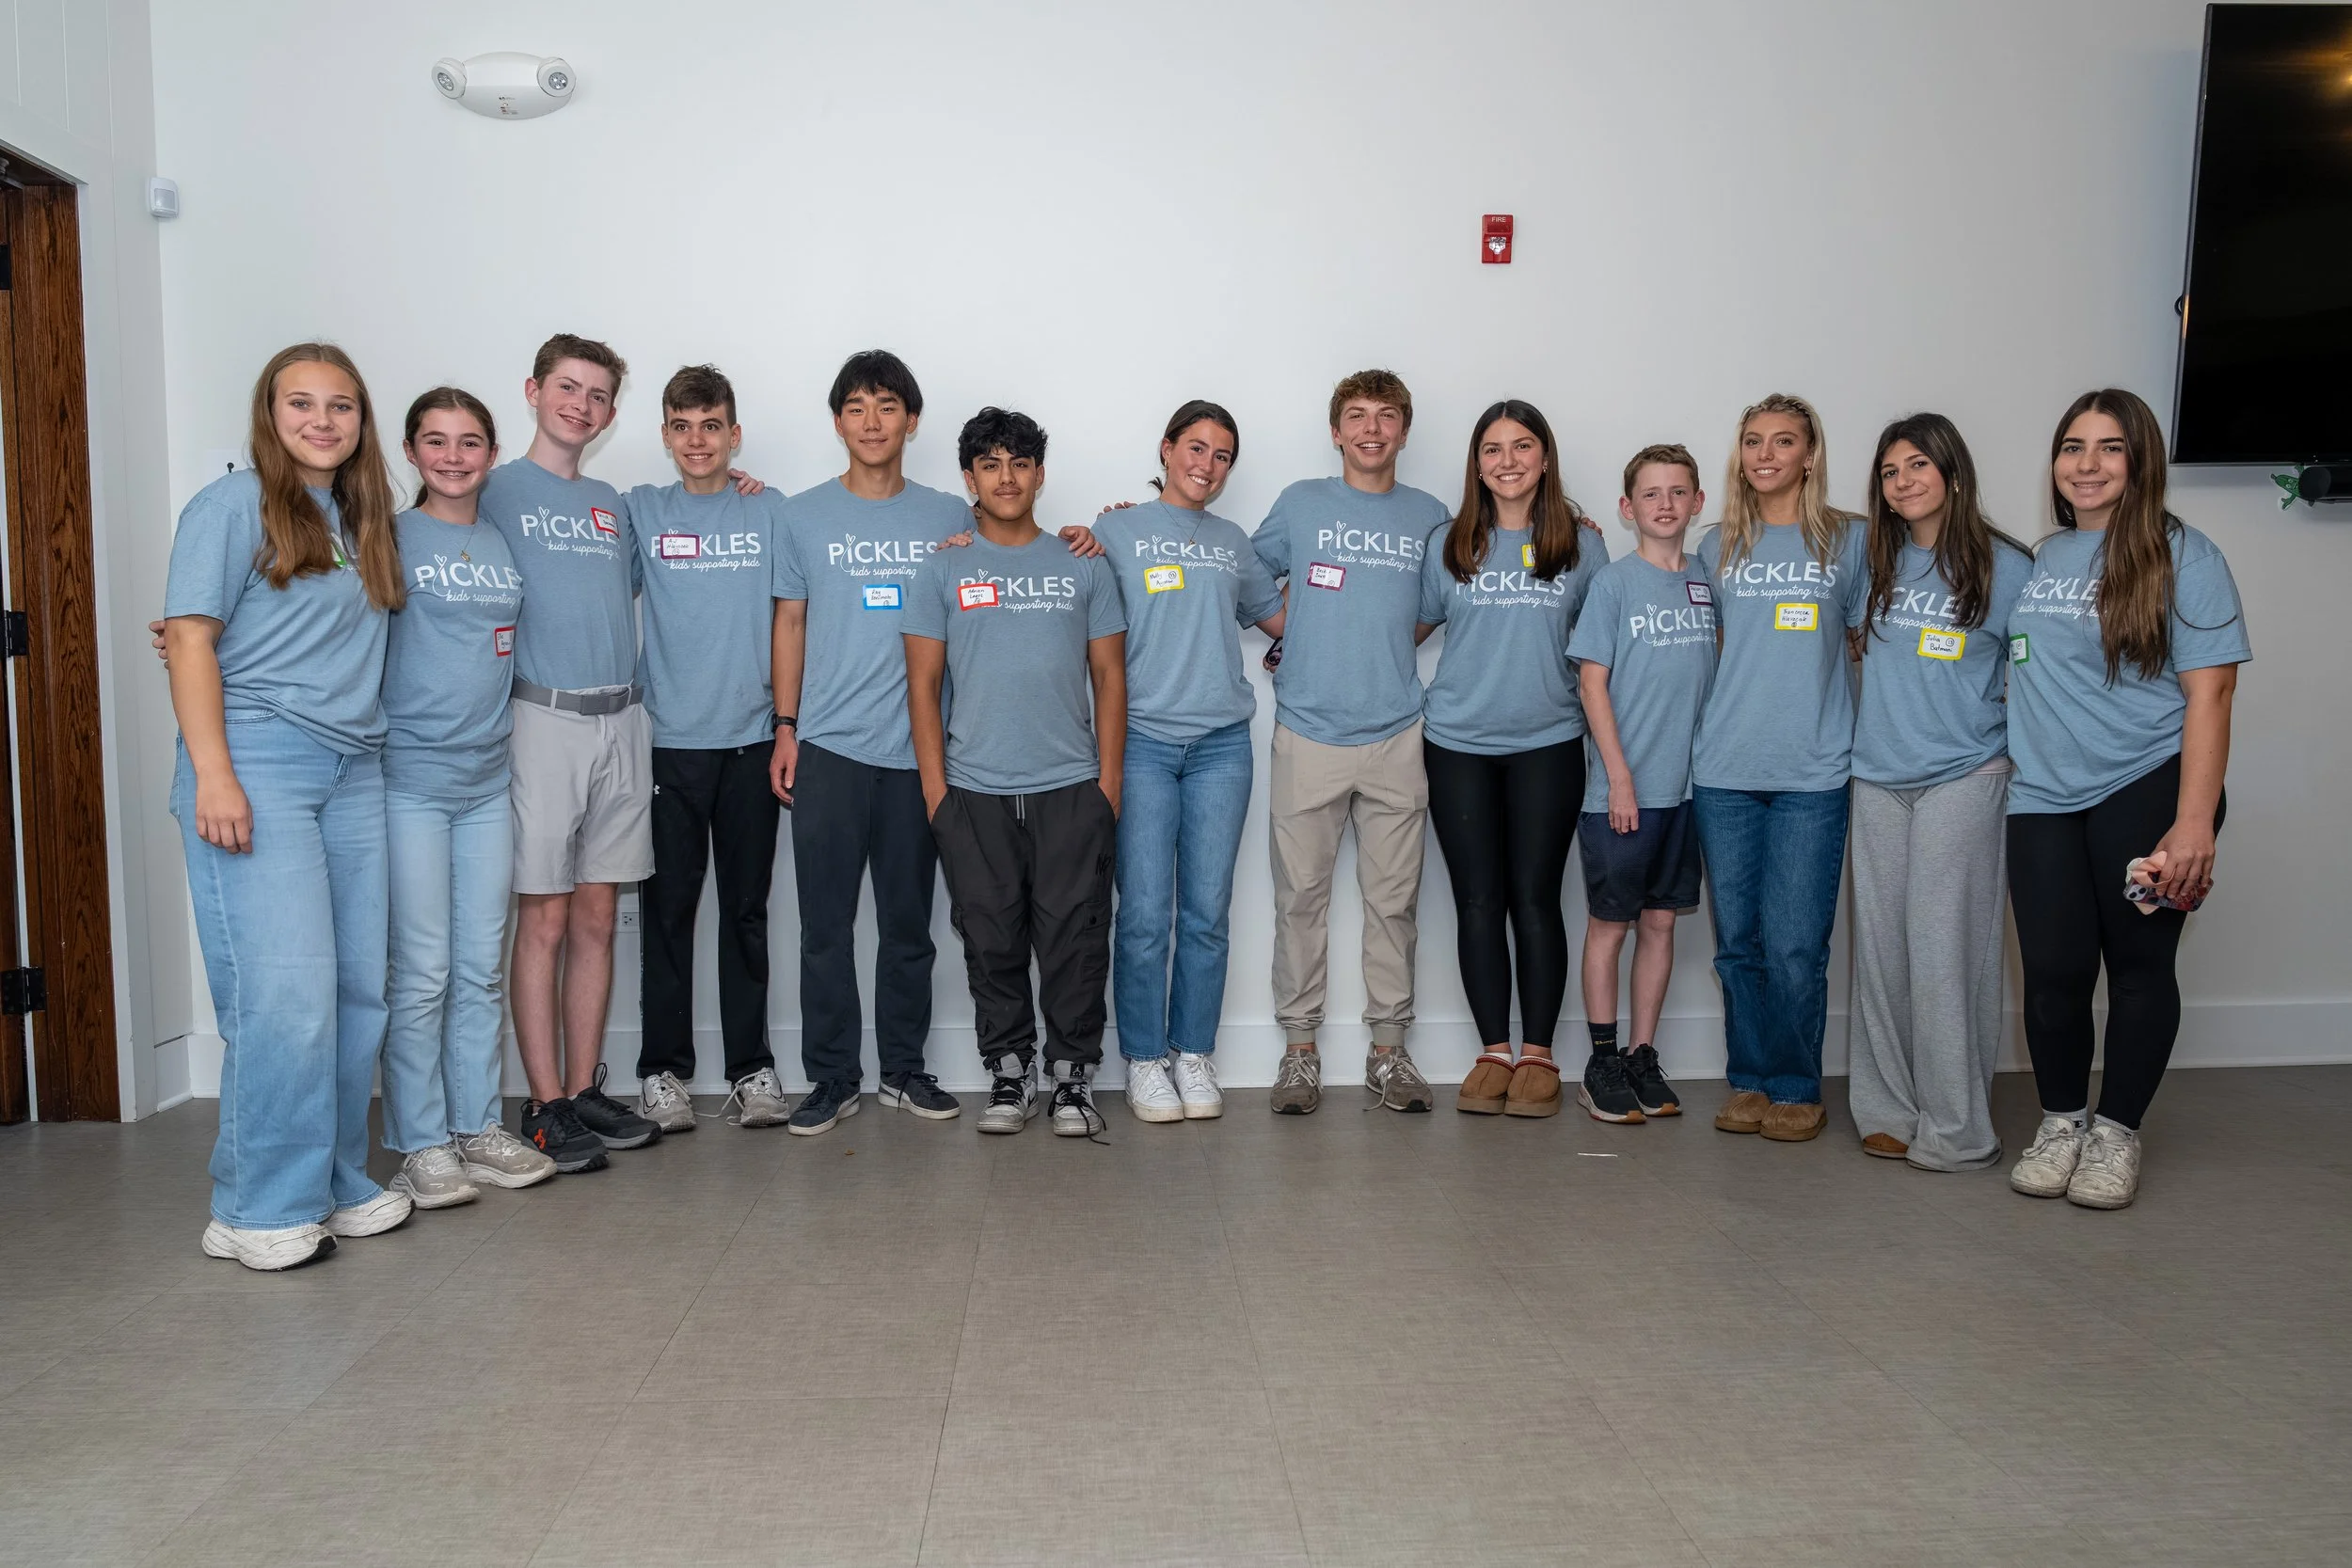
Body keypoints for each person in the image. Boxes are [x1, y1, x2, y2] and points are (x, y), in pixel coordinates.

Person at [163, 342, 410, 1270]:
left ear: (360, 420)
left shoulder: (358, 515)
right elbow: (189, 636)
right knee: (285, 997)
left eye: (340, 405)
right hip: (256, 762)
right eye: (300, 403)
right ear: (269, 415)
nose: (321, 420)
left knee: (354, 994)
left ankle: (334, 1179)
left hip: (354, 769)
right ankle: (257, 1203)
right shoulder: (229, 506)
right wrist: (213, 770)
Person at [2003, 388, 2249, 1210]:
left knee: (2139, 968)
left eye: (2109, 448)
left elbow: (2211, 696)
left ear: (2140, 461)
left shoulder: (2187, 555)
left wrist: (2192, 821)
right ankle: (2062, 1122)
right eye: (2073, 446)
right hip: (2041, 794)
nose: (2088, 464)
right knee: (2054, 971)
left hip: (2144, 786)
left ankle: (2115, 1135)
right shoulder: (2044, 557)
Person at [903, 407, 1127, 1137]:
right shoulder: (943, 566)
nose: (1007, 477)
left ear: (1040, 474)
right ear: (970, 477)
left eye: (1021, 463)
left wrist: (1108, 789)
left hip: (1071, 788)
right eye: (991, 464)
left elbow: (1110, 679)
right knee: (991, 938)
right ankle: (1008, 1071)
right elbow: (924, 690)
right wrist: (939, 798)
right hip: (974, 792)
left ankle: (1071, 1080)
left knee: (1074, 939)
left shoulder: (1082, 562)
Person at [768, 351, 970, 1134]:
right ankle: (830, 1076)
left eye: (888, 406)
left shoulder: (950, 516)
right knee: (824, 927)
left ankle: (906, 1070)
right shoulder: (803, 515)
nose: (873, 421)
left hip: (919, 755)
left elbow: (999, 572)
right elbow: (789, 623)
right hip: (828, 749)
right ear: (838, 421)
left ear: (911, 419)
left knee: (909, 925)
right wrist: (786, 728)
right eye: (856, 407)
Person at [480, 333, 664, 1167]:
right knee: (545, 918)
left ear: (611, 413)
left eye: (596, 395)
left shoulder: (612, 501)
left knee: (597, 915)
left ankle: (586, 1087)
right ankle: (544, 1104)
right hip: (541, 720)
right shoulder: (490, 488)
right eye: (567, 387)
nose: (579, 405)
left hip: (621, 719)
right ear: (533, 390)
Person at [1251, 370, 1452, 1114]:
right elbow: (1242, 574)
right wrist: (1291, 634)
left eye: (1387, 416)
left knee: (1393, 904)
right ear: (1336, 431)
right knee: (1298, 899)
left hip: (1398, 732)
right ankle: (1298, 1053)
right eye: (1357, 417)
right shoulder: (1301, 504)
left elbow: (1439, 604)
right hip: (1307, 731)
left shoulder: (1431, 514)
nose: (1372, 429)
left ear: (1404, 430)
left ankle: (1388, 1053)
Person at [378, 388, 556, 1204]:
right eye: (436, 441)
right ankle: (420, 1141)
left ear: (491, 452)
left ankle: (477, 1126)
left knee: (480, 967)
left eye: (471, 442)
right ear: (411, 451)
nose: (454, 456)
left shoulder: (501, 538)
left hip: (488, 783)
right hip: (409, 781)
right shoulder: (385, 536)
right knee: (422, 973)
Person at [1847, 414, 2033, 1171]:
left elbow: (2043, 678)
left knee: (1943, 949)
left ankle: (1957, 1126)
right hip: (1878, 777)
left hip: (1966, 775)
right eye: (1890, 472)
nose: (1903, 482)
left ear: (1952, 472)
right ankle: (1889, 1108)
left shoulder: (2010, 566)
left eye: (1918, 465)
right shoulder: (1874, 560)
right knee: (1882, 952)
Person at [1090, 402, 1284, 1123]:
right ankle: (1143, 1059)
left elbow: (1283, 619)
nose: (1207, 464)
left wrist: (1347, 583)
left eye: (1222, 455)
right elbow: (1057, 573)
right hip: (1138, 742)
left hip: (1221, 748)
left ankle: (1192, 1053)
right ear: (1167, 449)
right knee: (1142, 913)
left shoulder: (1234, 542)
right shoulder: (1117, 529)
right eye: (1195, 448)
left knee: (1205, 913)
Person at [1418, 401, 1607, 1118]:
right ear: (1476, 464)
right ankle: (1493, 1050)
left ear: (1545, 456)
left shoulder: (1583, 547)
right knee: (1476, 900)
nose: (1507, 460)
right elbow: (1405, 628)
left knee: (1535, 898)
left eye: (1522, 446)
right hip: (1457, 744)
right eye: (1492, 449)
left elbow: (1602, 657)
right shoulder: (1449, 542)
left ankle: (1539, 1055)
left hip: (1549, 744)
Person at [1692, 393, 1867, 1144]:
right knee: (1738, 945)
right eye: (1754, 441)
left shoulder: (1850, 542)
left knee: (1796, 943)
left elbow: (1864, 642)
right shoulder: (1715, 543)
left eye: (1783, 441)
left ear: (1811, 454)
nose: (1766, 455)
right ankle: (1751, 1078)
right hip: (1725, 768)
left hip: (1813, 773)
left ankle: (1797, 1083)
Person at [628, 365, 791, 1134]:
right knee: (666, 915)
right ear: (665, 435)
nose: (698, 440)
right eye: (683, 426)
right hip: (665, 748)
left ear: (734, 434)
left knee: (747, 912)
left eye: (712, 425)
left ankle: (752, 1068)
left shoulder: (771, 512)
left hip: (753, 745)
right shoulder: (638, 512)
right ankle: (661, 1071)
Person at [1566, 445, 1717, 1125]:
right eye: (1650, 493)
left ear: (1697, 504)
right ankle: (1600, 1059)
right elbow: (1591, 681)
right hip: (1622, 794)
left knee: (1661, 921)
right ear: (1628, 508)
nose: (1665, 503)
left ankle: (1641, 1052)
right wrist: (1620, 778)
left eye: (1677, 491)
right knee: (1612, 925)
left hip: (1689, 793)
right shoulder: (1616, 584)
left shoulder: (1709, 580)